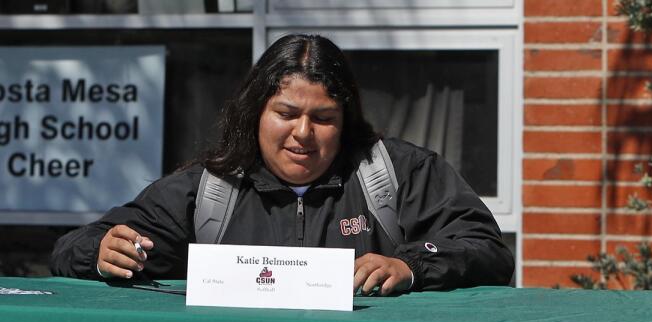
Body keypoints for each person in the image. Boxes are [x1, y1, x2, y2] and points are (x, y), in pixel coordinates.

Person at [51, 34, 513, 294]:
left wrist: (410, 266)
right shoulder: (209, 191)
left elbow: (486, 249)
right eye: (287, 114)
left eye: (324, 118)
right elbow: (76, 246)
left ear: (346, 118)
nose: (303, 134)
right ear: (256, 112)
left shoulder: (397, 173)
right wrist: (102, 253)